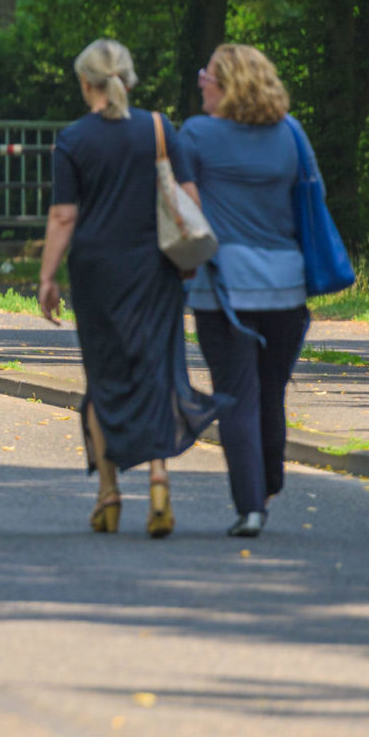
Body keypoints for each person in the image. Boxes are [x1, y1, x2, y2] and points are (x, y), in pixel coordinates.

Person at [38, 39, 226, 538]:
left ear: (86, 83)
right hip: (156, 270)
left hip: (98, 273)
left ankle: (109, 494)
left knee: (104, 378)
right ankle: (159, 483)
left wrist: (47, 276)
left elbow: (63, 216)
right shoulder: (162, 129)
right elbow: (189, 197)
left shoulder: (73, 139)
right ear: (129, 79)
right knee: (157, 371)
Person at [179, 44, 312, 537]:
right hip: (287, 287)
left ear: (227, 84)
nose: (201, 82)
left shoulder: (196, 134)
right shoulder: (291, 133)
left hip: (224, 289)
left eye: (207, 75)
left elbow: (181, 209)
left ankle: (252, 505)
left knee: (235, 394)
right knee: (271, 390)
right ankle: (270, 480)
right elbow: (306, 199)